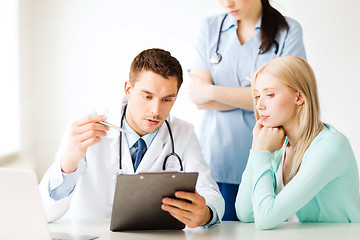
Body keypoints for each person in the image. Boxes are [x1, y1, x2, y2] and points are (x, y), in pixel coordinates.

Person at [39, 48, 225, 228]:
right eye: (147, 96)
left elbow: (210, 192)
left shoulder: (182, 132)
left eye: (167, 100)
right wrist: (68, 162)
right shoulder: (86, 128)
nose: (156, 111)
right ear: (128, 89)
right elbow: (46, 212)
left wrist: (206, 214)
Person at [188, 0, 306, 221]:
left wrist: (212, 91)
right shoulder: (209, 27)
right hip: (218, 158)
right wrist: (264, 95)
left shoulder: (288, 31)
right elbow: (199, 98)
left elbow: (290, 95)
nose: (227, 3)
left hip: (271, 155)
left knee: (264, 227)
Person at [235, 55, 360, 229]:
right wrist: (257, 147)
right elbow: (245, 213)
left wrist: (262, 154)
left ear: (299, 97)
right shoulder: (277, 144)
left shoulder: (331, 146)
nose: (259, 105)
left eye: (270, 94)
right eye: (257, 96)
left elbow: (265, 219)